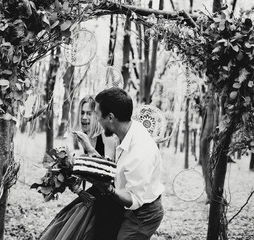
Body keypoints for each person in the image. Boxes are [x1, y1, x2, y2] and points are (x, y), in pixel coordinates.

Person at [76, 87, 165, 240]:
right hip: (128, 206)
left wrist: (108, 189)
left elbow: (134, 200)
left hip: (144, 214)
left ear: (110, 117)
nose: (96, 120)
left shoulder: (139, 152)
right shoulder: (123, 133)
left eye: (97, 115)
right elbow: (114, 170)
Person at [39, 95, 124, 240]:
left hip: (111, 198)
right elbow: (90, 170)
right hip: (96, 193)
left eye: (89, 113)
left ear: (97, 116)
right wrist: (69, 175)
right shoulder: (88, 136)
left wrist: (89, 148)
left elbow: (110, 170)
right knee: (67, 220)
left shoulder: (107, 136)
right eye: (82, 113)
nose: (84, 117)